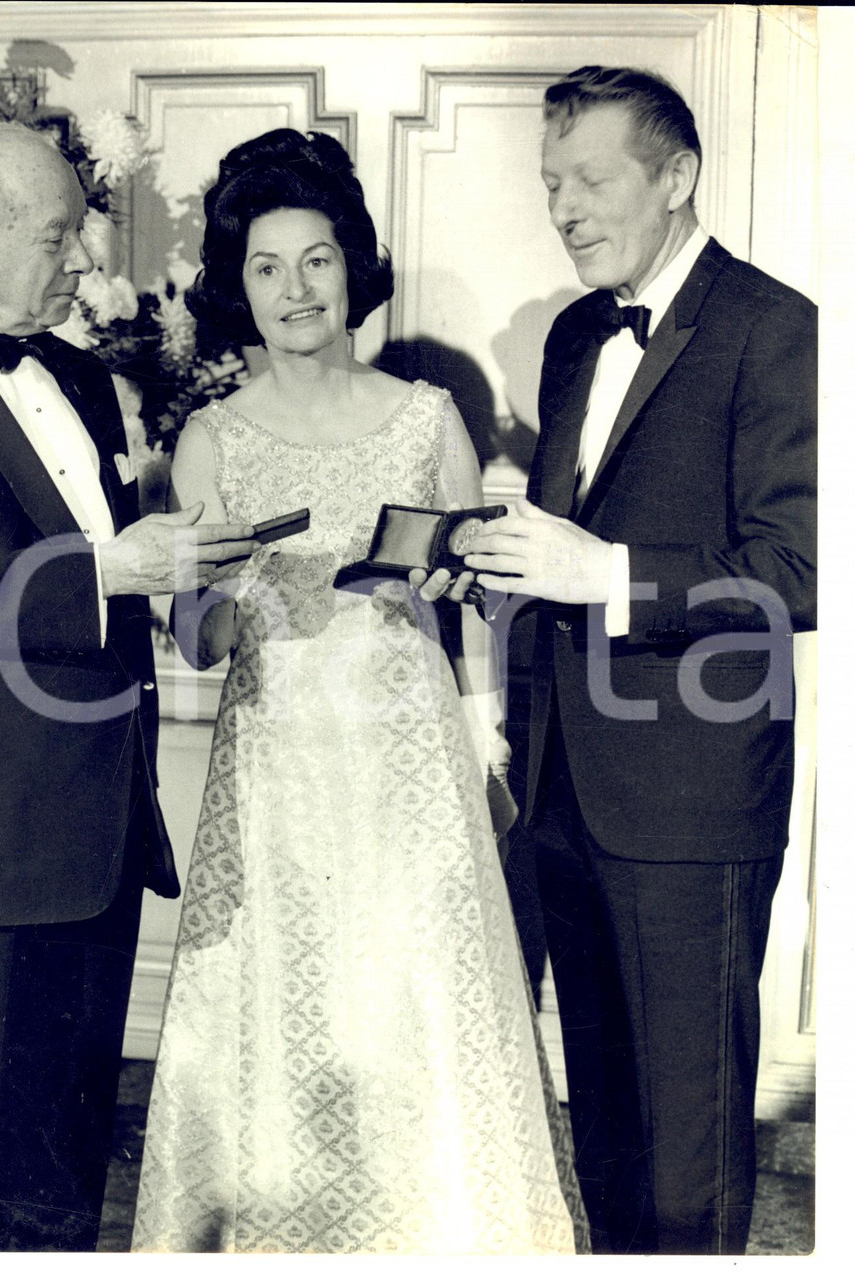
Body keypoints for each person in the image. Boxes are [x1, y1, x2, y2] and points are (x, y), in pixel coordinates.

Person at [131, 128, 587, 1254]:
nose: (296, 289)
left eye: (318, 259)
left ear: (354, 268)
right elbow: (197, 640)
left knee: (415, 1006)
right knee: (285, 1016)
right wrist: (217, 587)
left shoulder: (428, 416)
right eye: (268, 267)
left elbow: (478, 603)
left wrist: (459, 590)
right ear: (238, 287)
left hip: (409, 770)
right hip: (276, 777)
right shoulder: (210, 439)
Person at [0, 122, 259, 1251]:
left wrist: (173, 558)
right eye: (58, 239)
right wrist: (104, 570)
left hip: (96, 835)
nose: (85, 263)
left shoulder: (84, 377)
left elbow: (75, 560)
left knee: (62, 1180)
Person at [456, 67, 816, 1254]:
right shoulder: (571, 335)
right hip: (564, 791)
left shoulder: (778, 329)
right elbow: (565, 536)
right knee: (605, 1132)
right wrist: (500, 563)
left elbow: (796, 569)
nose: (562, 207)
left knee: (687, 1156)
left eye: (591, 179)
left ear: (676, 177)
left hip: (691, 809)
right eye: (552, 182)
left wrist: (602, 572)